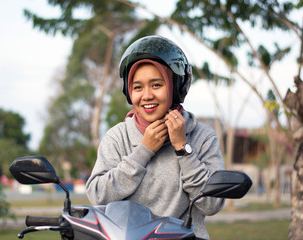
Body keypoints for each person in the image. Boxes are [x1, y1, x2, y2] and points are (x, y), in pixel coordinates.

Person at [85, 35, 225, 240]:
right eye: (138, 87)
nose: (147, 95)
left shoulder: (203, 137)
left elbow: (211, 205)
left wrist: (183, 148)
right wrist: (143, 151)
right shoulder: (117, 137)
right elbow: (98, 196)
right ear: (128, 91)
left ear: (175, 87)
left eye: (157, 85)